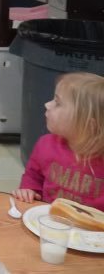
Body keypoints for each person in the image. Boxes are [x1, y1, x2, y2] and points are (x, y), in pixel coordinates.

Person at [13, 72, 104, 209]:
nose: (47, 105)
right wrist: (28, 191)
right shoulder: (45, 145)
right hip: (49, 221)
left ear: (89, 124)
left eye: (58, 103)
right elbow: (33, 177)